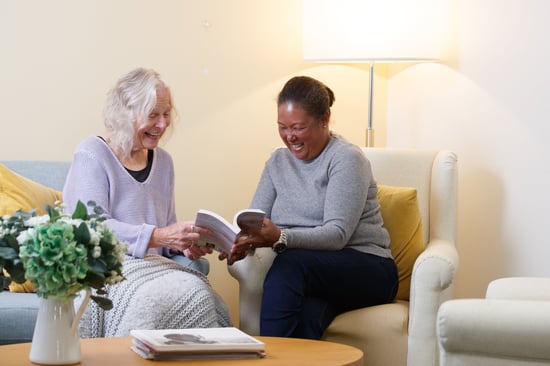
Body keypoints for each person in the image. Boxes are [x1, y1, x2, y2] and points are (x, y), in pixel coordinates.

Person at [225, 76, 399, 340]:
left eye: (298, 127)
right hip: (315, 275)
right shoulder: (277, 162)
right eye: (282, 127)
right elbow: (256, 220)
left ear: (324, 119)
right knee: (305, 317)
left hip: (368, 267)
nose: (289, 136)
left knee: (289, 264)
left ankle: (267, 358)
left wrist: (280, 237)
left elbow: (337, 234)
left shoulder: (346, 158)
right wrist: (241, 241)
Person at [62, 67, 211, 275]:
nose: (162, 124)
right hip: (107, 270)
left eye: (166, 114)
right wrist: (158, 236)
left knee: (203, 298)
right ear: (125, 115)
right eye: (153, 115)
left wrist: (180, 244)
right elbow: (90, 229)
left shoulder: (164, 162)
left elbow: (164, 230)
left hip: (153, 268)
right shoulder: (92, 154)